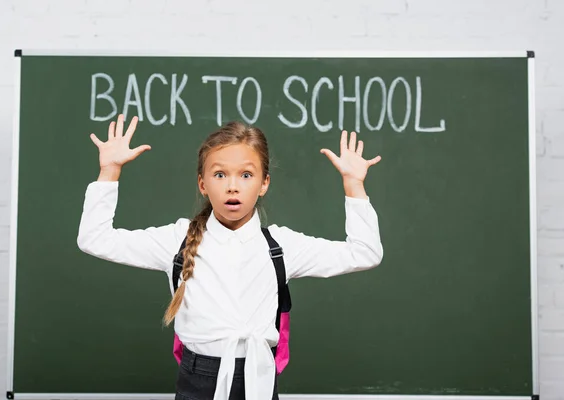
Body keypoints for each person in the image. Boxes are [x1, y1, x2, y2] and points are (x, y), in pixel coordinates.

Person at [77, 114, 384, 400]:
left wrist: (353, 184)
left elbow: (365, 253)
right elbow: (95, 239)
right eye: (220, 174)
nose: (233, 186)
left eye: (247, 175)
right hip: (198, 378)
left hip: (258, 378)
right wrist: (109, 171)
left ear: (264, 183)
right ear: (203, 183)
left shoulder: (282, 245)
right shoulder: (176, 240)